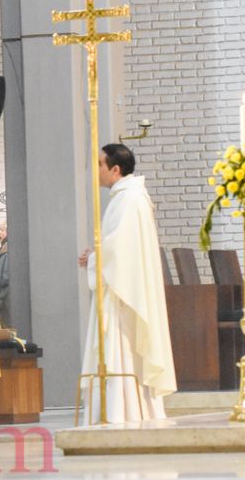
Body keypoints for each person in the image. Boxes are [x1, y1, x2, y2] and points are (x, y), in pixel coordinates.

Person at [77, 143, 176, 423]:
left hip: (123, 295)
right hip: (122, 286)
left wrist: (96, 257)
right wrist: (97, 255)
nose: (96, 170)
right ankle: (125, 408)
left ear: (115, 169)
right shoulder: (127, 197)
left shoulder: (129, 199)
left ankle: (122, 410)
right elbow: (118, 245)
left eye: (100, 164)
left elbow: (119, 248)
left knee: (121, 346)